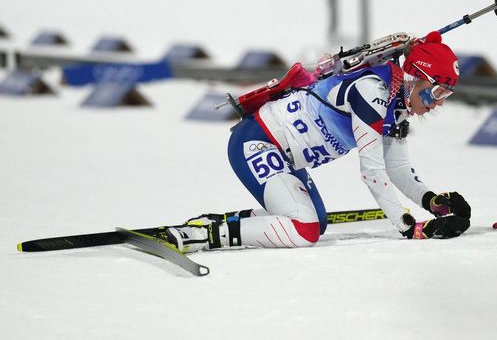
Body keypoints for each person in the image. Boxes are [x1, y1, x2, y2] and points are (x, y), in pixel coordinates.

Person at [166, 31, 472, 251]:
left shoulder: (397, 106)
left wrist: (432, 202)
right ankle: (205, 235)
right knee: (304, 229)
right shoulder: (372, 91)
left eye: (447, 94)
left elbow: (398, 169)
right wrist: (408, 226)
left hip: (285, 156)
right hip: (259, 141)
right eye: (437, 91)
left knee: (317, 222)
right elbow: (372, 171)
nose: (439, 102)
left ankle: (226, 221)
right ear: (412, 77)